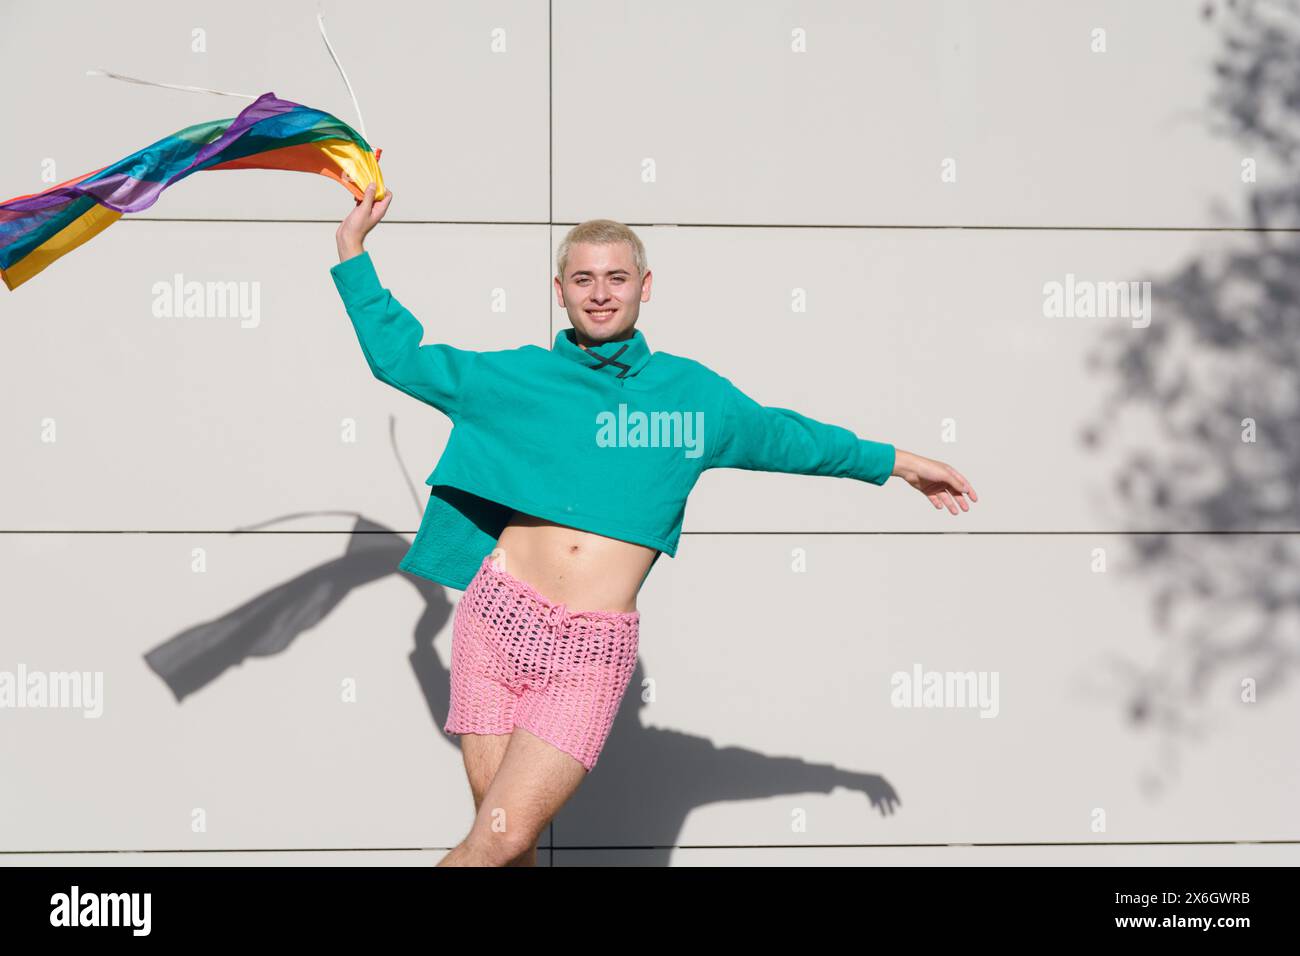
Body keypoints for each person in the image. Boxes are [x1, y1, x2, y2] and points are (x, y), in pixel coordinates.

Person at [332, 184, 977, 867]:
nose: (600, 293)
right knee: (507, 853)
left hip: (590, 651)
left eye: (616, 278)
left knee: (501, 839)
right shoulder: (516, 379)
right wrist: (352, 249)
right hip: (495, 623)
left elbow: (789, 437)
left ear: (645, 286)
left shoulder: (691, 397)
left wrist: (899, 463)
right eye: (583, 278)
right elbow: (399, 359)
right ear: (560, 291)